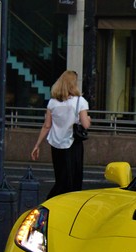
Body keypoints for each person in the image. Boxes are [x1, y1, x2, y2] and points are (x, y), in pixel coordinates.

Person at [31, 70, 91, 199]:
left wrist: (37, 145)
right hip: (73, 144)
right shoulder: (80, 101)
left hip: (56, 144)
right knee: (73, 182)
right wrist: (89, 119)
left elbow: (47, 125)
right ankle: (51, 205)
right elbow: (86, 125)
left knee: (60, 179)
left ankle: (54, 204)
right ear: (73, 84)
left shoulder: (52, 103)